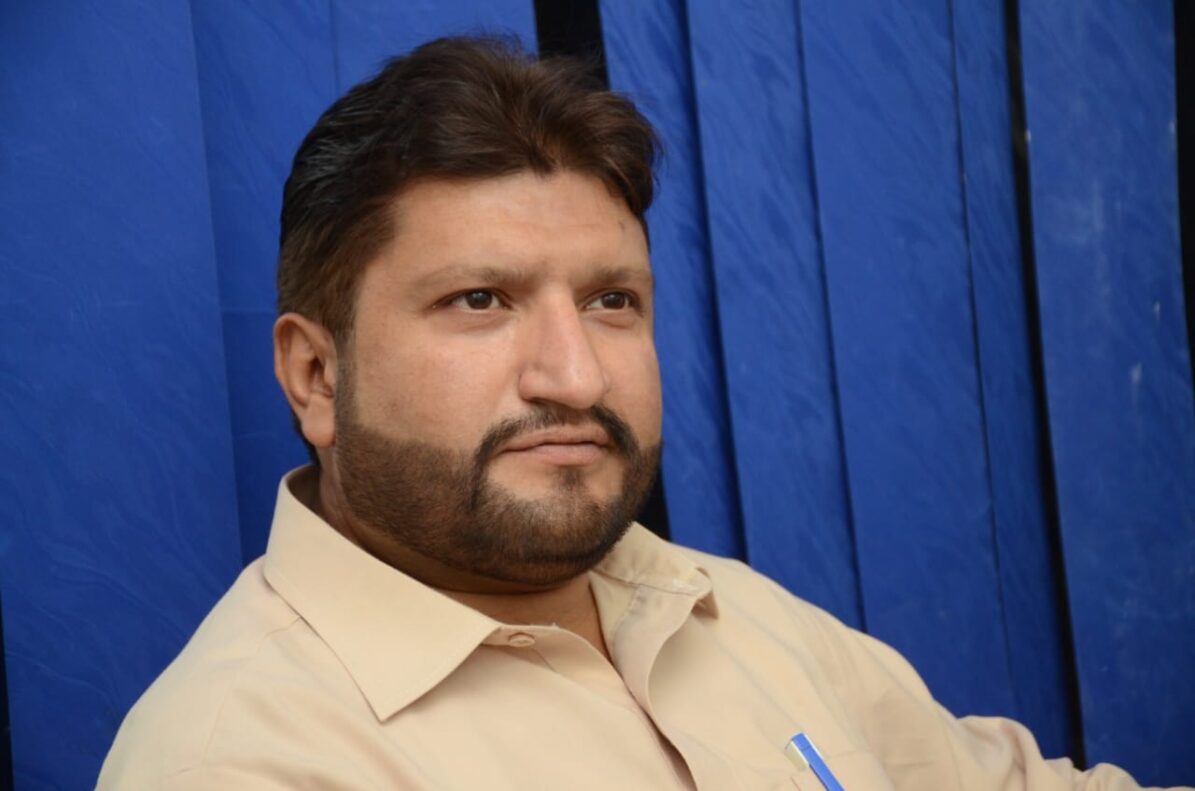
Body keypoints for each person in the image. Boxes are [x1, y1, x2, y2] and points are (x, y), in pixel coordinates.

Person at [98, 36, 1186, 790]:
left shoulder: (725, 612)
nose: (574, 377)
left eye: (611, 301)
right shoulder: (242, 759)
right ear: (315, 376)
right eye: (480, 300)